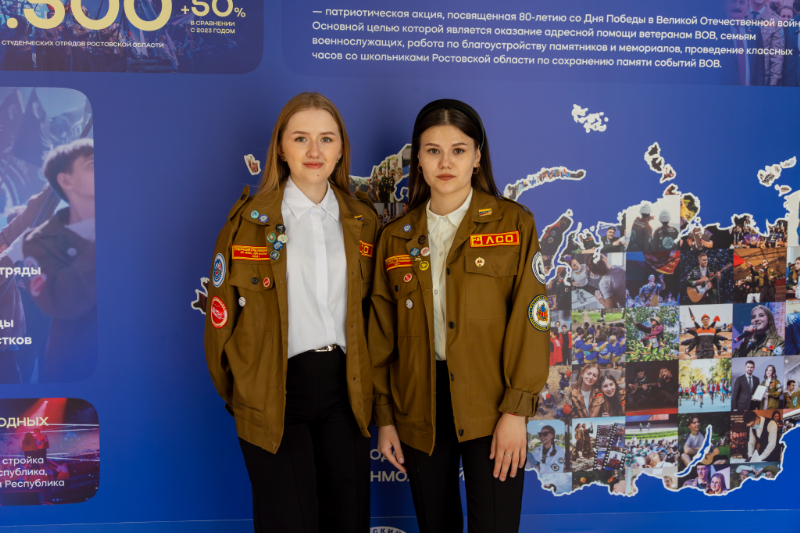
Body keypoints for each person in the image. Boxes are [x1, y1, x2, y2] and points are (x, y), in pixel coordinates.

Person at [204, 93, 381, 532]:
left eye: (326, 139)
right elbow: (220, 324)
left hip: (346, 390)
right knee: (288, 522)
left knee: (348, 521)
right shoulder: (248, 223)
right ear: (281, 148)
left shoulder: (364, 221)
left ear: (341, 149)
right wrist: (246, 392)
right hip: (274, 390)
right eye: (301, 138)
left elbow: (378, 316)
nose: (314, 151)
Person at [369, 99, 549, 533]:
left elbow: (531, 321)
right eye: (433, 151)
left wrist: (516, 412)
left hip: (492, 403)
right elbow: (381, 335)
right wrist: (386, 417)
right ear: (418, 160)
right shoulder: (395, 238)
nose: (445, 162)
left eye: (458, 150)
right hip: (419, 406)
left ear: (477, 157)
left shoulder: (514, 224)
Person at [19, 139, 96, 383]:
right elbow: (61, 303)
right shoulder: (39, 243)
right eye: (91, 165)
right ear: (65, 180)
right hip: (77, 374)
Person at [745, 0, 786, 86]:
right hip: (742, 75)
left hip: (764, 79)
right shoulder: (739, 15)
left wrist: (773, 83)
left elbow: (777, 56)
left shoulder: (775, 20)